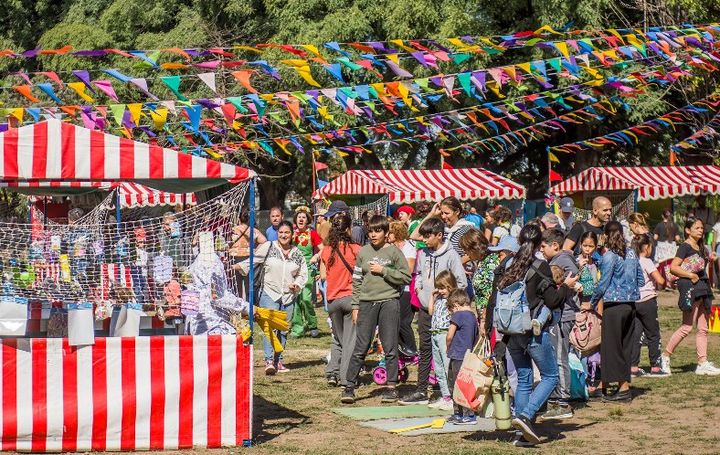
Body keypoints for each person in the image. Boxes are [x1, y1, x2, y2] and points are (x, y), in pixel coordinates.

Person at [498, 224, 576, 446]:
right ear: (539, 242)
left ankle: (522, 434)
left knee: (524, 379)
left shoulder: (507, 263)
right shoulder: (540, 265)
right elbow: (552, 300)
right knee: (550, 376)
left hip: (510, 331)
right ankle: (525, 416)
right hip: (532, 330)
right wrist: (566, 286)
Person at [341, 215, 411, 404]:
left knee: (389, 346)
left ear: (386, 232)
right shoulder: (363, 252)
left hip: (389, 302)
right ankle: (349, 386)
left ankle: (391, 387)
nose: (373, 234)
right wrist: (355, 305)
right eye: (370, 231)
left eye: (378, 231)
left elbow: (406, 277)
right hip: (366, 303)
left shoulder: (394, 253)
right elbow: (356, 281)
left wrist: (385, 271)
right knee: (361, 346)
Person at [401, 217, 467, 405]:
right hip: (426, 307)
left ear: (439, 235)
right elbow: (420, 274)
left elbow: (461, 282)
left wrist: (447, 300)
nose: (425, 240)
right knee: (425, 348)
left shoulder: (451, 255)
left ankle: (451, 393)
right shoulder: (423, 254)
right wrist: (420, 291)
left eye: (428, 237)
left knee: (446, 352)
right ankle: (422, 390)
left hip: (445, 312)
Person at [237, 221, 307, 375]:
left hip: (288, 296)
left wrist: (297, 284)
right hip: (269, 292)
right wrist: (235, 266)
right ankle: (269, 361)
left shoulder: (297, 253)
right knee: (269, 327)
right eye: (281, 232)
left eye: (287, 232)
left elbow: (303, 273)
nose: (283, 235)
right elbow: (253, 260)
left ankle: (278, 360)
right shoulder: (269, 247)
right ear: (278, 233)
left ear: (292, 234)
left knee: (283, 330)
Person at [588, 221, 643, 403]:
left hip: (614, 306)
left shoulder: (611, 256)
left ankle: (622, 389)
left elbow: (603, 283)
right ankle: (624, 387)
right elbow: (641, 280)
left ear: (605, 236)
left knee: (613, 348)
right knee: (625, 347)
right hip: (630, 305)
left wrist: (592, 302)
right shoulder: (632, 254)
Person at [660, 218, 720, 376]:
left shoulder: (700, 246)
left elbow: (700, 266)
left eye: (702, 228)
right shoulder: (684, 247)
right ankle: (665, 356)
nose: (701, 230)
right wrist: (689, 275)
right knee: (686, 327)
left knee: (703, 329)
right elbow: (673, 268)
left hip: (703, 288)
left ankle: (702, 363)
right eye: (697, 228)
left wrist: (711, 257)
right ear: (687, 230)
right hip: (691, 288)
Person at [540, 228, 581, 420]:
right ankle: (556, 399)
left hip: (564, 315)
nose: (541, 250)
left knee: (559, 357)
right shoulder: (555, 260)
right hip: (559, 315)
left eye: (543, 246)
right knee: (555, 356)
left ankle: (563, 401)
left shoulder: (562, 260)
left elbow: (574, 281)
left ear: (555, 245)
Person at [320, 213, 360, 387]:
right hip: (350, 298)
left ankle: (332, 372)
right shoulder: (356, 249)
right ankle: (346, 378)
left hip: (333, 300)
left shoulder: (326, 251)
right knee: (350, 340)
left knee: (338, 337)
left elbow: (322, 276)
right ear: (349, 229)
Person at [630, 233, 666, 377]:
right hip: (648, 301)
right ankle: (655, 367)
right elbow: (660, 281)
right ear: (646, 247)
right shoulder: (646, 261)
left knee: (636, 334)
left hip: (634, 301)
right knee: (653, 334)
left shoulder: (631, 261)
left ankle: (633, 367)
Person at [445, 289, 480, 425]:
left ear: (455, 305)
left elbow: (449, 335)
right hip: (468, 356)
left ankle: (462, 414)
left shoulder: (458, 315)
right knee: (466, 384)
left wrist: (448, 346)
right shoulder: (473, 317)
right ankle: (467, 413)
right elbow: (476, 338)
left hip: (457, 355)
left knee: (455, 385)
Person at [427, 271, 457, 411]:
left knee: (447, 367)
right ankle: (445, 396)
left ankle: (453, 397)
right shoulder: (438, 299)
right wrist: (432, 297)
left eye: (443, 288)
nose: (441, 291)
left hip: (444, 334)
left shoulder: (453, 301)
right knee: (438, 368)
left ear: (451, 286)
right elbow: (430, 312)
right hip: (435, 334)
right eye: (439, 288)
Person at [291, 206, 322, 338]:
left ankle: (312, 324)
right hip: (293, 270)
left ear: (307, 220)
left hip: (308, 269)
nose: (301, 219)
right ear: (296, 219)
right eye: (299, 217)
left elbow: (323, 249)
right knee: (296, 299)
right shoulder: (291, 233)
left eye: (304, 217)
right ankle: (297, 328)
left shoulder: (312, 233)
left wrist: (316, 256)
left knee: (305, 298)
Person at [388, 220, 418, 356]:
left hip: (407, 289)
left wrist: (391, 270)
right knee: (394, 321)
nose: (388, 235)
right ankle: (401, 348)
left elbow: (409, 269)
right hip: (394, 288)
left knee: (404, 322)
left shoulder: (408, 247)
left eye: (390, 232)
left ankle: (411, 348)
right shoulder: (392, 248)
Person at [411, 197, 475, 257]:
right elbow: (414, 236)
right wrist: (431, 214)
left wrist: (452, 265)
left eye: (447, 213)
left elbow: (474, 252)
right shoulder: (441, 228)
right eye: (442, 213)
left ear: (457, 212)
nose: (443, 216)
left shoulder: (467, 229)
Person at [462, 229, 499, 329]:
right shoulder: (481, 261)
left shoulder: (491, 261)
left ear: (474, 247)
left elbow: (491, 293)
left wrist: (484, 320)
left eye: (466, 249)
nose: (465, 253)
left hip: (489, 318)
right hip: (483, 315)